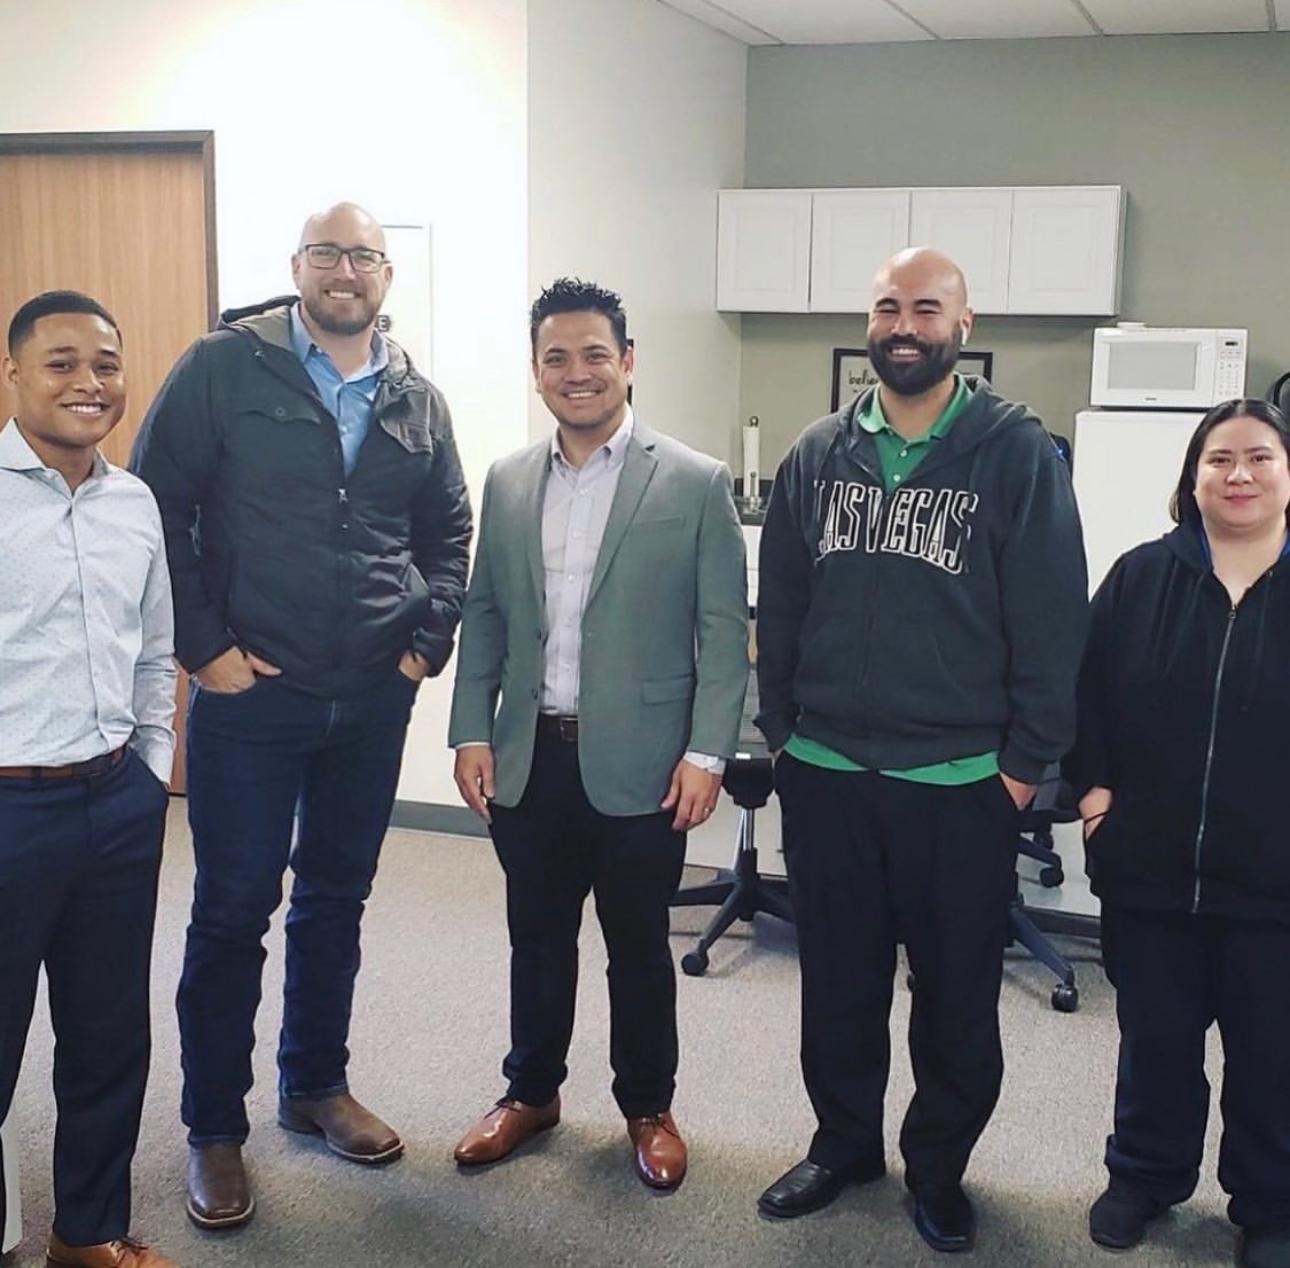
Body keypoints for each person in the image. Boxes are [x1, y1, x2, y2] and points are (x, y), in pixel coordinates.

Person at [130, 203, 472, 1229]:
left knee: (336, 896)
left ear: (385, 276)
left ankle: (315, 1084)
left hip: (370, 696)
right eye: (327, 252)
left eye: (364, 255)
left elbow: (447, 529)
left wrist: (425, 642)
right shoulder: (223, 368)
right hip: (253, 694)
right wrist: (203, 648)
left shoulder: (415, 396)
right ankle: (213, 1127)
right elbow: (157, 507)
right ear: (297, 266)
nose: (345, 270)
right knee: (233, 908)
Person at [754, 248, 1087, 1250]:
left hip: (960, 784)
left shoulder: (1015, 453)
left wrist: (1023, 768)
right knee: (838, 985)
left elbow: (1053, 621)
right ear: (870, 322)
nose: (905, 324)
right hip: (829, 773)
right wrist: (785, 735)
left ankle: (938, 1169)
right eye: (889, 306)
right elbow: (781, 607)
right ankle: (844, 1142)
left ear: (963, 325)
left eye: (927, 308)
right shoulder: (818, 451)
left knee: (955, 1001)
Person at [448, 278, 747, 1191]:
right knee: (536, 938)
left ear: (628, 361)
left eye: (593, 354)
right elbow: (486, 614)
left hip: (645, 764)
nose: (576, 373)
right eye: (556, 357)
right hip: (531, 755)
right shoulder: (507, 481)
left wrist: (707, 752)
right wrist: (470, 730)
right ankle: (530, 1092)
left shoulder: (693, 480)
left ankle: (648, 1107)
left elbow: (724, 634)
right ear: (537, 370)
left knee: (636, 948)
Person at [1066, 399, 1290, 1268]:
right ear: (1192, 477)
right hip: (1150, 871)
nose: (1239, 475)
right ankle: (1144, 1177)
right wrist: (1095, 802)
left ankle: (1270, 1206)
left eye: (1260, 457)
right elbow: (1087, 695)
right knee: (1155, 1043)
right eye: (1219, 459)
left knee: (1271, 1054)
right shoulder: (1140, 578)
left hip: (1274, 884)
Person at [0, 292, 177, 1267]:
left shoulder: (134, 502)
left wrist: (148, 768)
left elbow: (154, 648)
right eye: (61, 362)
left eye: (105, 363)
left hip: (115, 800)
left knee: (108, 1034)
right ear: (15, 374)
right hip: (7, 806)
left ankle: (88, 1232)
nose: (89, 383)